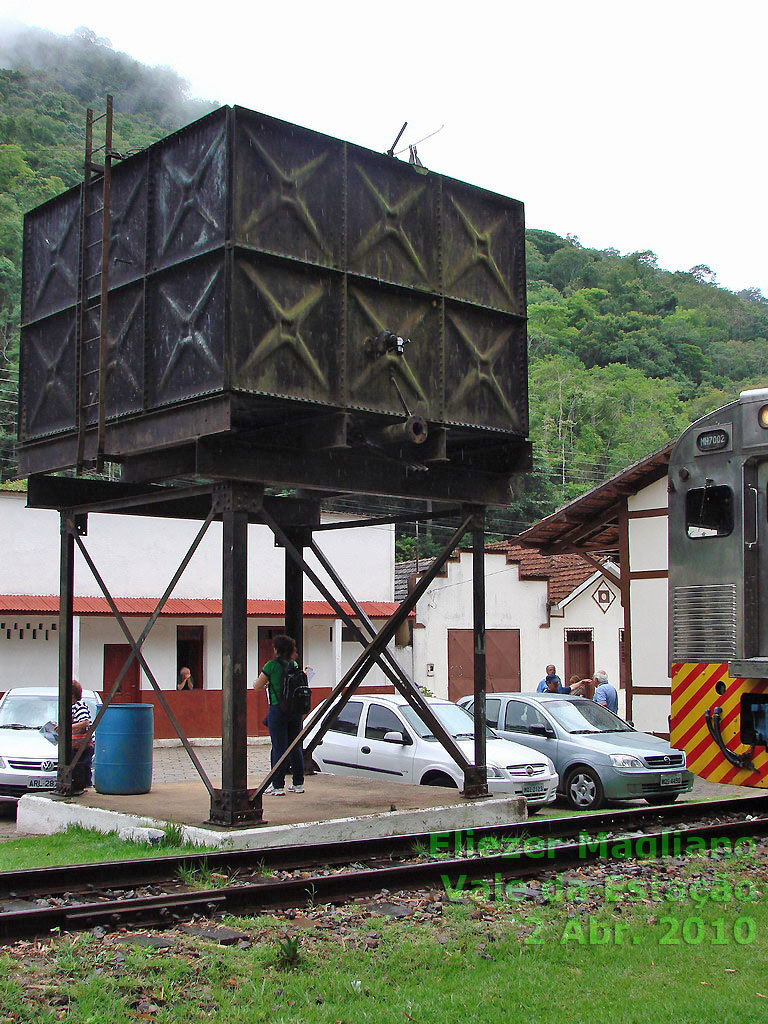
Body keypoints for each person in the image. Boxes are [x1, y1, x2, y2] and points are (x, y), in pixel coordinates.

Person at [253, 634, 305, 796]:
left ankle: (278, 785)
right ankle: (298, 783)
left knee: (278, 747)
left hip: (278, 709)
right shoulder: (294, 664)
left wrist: (270, 683)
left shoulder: (272, 666)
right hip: (295, 711)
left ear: (276, 649)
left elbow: (257, 686)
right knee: (294, 746)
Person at [70, 679, 94, 794]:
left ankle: (85, 788)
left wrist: (68, 727)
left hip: (83, 747)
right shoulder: (69, 708)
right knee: (76, 769)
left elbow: (85, 722)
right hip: (75, 746)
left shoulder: (79, 706)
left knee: (83, 768)